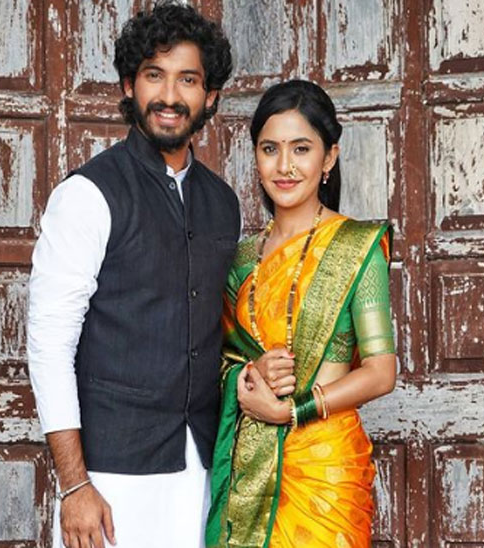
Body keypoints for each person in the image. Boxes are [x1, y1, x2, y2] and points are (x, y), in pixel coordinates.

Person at [27, 3, 240, 547]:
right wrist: (75, 485)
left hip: (200, 467)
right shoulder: (87, 195)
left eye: (187, 79)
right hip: (110, 477)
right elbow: (49, 344)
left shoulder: (223, 203)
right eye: (154, 75)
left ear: (210, 96)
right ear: (129, 85)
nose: (170, 96)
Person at [206, 80, 397, 548]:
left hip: (326, 470)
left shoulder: (356, 247)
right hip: (252, 467)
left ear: (329, 158)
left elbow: (381, 372)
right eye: (270, 149)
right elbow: (218, 360)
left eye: (301, 149)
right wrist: (249, 372)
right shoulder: (241, 260)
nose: (284, 166)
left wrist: (291, 410)